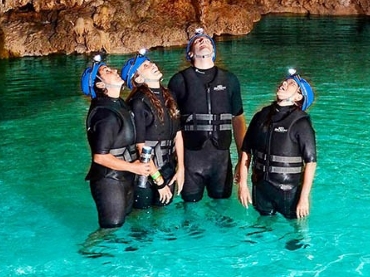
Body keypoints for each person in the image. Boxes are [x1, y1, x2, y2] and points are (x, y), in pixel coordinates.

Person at [168, 28, 246, 203]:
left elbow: (238, 120)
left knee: (222, 210)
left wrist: (242, 159)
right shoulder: (179, 81)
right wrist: (178, 163)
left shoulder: (230, 80)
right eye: (197, 41)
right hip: (191, 158)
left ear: (213, 51)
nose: (203, 41)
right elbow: (172, 125)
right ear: (190, 53)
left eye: (207, 40)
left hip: (221, 159)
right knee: (190, 211)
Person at [81, 55, 153, 228]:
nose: (114, 70)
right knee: (111, 227)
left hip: (123, 176)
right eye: (107, 71)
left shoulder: (119, 104)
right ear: (99, 85)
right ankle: (90, 252)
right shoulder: (104, 113)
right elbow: (100, 157)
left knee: (125, 222)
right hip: (108, 180)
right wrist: (134, 167)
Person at [237, 69, 317, 219]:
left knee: (294, 236)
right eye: (284, 81)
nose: (284, 83)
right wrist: (243, 184)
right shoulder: (261, 116)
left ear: (299, 96)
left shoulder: (301, 122)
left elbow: (311, 162)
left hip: (289, 191)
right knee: (261, 230)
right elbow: (246, 151)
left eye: (291, 83)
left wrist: (304, 198)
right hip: (261, 188)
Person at [121, 49, 185, 209]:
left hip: (168, 167)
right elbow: (141, 146)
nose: (153, 65)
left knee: (162, 218)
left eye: (150, 62)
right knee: (142, 221)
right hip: (146, 174)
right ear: (139, 78)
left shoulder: (169, 95)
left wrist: (181, 167)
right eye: (145, 66)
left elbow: (177, 134)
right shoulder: (138, 102)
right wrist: (159, 181)